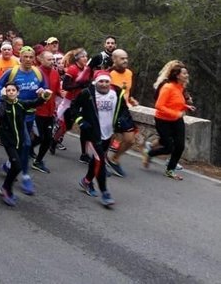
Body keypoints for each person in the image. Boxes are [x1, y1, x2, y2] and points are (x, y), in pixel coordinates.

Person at [0, 46, 48, 196]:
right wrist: (3, 96)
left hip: (31, 113)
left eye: (31, 57)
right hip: (16, 114)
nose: (29, 60)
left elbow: (45, 89)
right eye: (26, 57)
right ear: (21, 58)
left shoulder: (38, 72)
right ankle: (25, 176)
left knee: (29, 141)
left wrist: (43, 93)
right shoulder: (13, 72)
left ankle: (9, 164)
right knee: (26, 144)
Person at [71, 71, 129, 207]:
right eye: (101, 82)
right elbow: (73, 107)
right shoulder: (87, 93)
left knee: (96, 161)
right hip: (92, 133)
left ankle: (86, 181)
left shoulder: (116, 93)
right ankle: (105, 192)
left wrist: (122, 119)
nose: (104, 84)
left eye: (106, 82)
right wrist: (81, 121)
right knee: (100, 162)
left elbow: (123, 109)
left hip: (108, 133)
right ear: (95, 82)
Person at [0, 82, 45, 206]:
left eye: (13, 90)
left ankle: (6, 187)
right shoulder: (4, 105)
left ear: (18, 92)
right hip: (9, 142)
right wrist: (3, 100)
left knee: (14, 166)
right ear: (6, 93)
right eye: (8, 90)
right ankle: (6, 188)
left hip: (20, 141)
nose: (11, 92)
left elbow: (35, 103)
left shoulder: (21, 104)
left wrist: (44, 97)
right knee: (17, 166)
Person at [143, 61, 194, 180]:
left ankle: (170, 170)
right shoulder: (167, 87)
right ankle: (149, 153)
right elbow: (159, 106)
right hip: (163, 120)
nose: (187, 75)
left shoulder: (180, 87)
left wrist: (186, 107)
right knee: (168, 147)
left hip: (177, 120)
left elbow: (176, 102)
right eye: (184, 73)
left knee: (180, 146)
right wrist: (176, 113)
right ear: (177, 75)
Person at [107, 49, 139, 177]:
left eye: (126, 58)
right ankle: (100, 161)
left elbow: (126, 91)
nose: (125, 60)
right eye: (122, 58)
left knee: (130, 140)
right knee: (107, 138)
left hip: (123, 110)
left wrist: (131, 99)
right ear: (114, 60)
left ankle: (114, 159)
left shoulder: (129, 73)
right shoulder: (108, 74)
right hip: (110, 109)